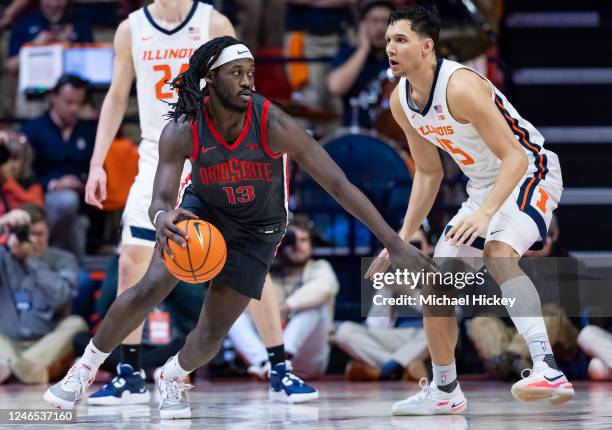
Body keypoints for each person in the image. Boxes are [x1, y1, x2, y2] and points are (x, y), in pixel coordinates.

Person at [44, 36, 430, 418]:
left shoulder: (273, 122)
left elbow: (339, 184)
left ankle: (174, 374)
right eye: (236, 74)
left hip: (258, 230)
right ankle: (84, 369)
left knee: (212, 333)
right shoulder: (183, 128)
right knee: (149, 286)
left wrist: (393, 243)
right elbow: (161, 199)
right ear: (210, 78)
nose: (247, 81)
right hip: (203, 213)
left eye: (251, 73)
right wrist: (162, 218)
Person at [81, 2, 318, 406]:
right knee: (131, 261)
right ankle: (130, 372)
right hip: (159, 152)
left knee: (251, 265)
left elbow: (242, 92)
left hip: (210, 150)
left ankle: (279, 366)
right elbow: (117, 96)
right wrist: (96, 162)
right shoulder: (130, 29)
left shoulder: (212, 21)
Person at [366, 5, 573, 415]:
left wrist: (485, 215)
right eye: (389, 40)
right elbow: (427, 174)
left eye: (400, 40)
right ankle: (446, 391)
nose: (390, 47)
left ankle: (547, 368)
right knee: (437, 285)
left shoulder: (459, 86)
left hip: (531, 171)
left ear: (427, 47)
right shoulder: (400, 102)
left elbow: (514, 157)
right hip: (484, 189)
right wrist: (399, 240)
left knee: (498, 251)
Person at [228, 215, 339, 380]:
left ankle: (277, 363)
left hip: (308, 360)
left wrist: (285, 307)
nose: (297, 245)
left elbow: (325, 288)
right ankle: (265, 364)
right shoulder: (266, 272)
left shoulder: (319, 267)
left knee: (316, 306)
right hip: (267, 348)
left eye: (304, 240)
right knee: (231, 316)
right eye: (292, 239)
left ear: (311, 244)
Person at [0, 204, 86, 384]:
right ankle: (25, 369)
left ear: (48, 232)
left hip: (46, 344)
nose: (33, 240)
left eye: (39, 234)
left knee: (76, 324)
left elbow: (60, 298)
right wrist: (2, 223)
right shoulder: (3, 258)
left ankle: (15, 368)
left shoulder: (62, 259)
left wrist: (31, 261)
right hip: (7, 342)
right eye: (27, 234)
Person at [20, 74, 94, 257]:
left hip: (82, 199)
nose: (74, 108)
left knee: (76, 218)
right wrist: (54, 184)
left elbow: (96, 167)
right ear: (53, 97)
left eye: (79, 103)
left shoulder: (89, 130)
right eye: (69, 102)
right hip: (44, 196)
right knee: (67, 201)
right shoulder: (33, 129)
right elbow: (24, 174)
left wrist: (83, 183)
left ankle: (63, 263)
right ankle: (49, 254)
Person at [327, 0, 393, 128]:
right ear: (363, 25)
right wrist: (363, 49)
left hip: (392, 139)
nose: (380, 27)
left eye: (385, 21)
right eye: (374, 21)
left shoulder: (404, 57)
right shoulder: (348, 54)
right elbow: (335, 87)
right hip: (356, 135)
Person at [5, 0, 94, 72]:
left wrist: (69, 47)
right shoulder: (23, 23)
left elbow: (93, 60)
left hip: (70, 83)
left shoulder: (80, 22)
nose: (54, 3)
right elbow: (11, 66)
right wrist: (35, 46)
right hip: (36, 79)